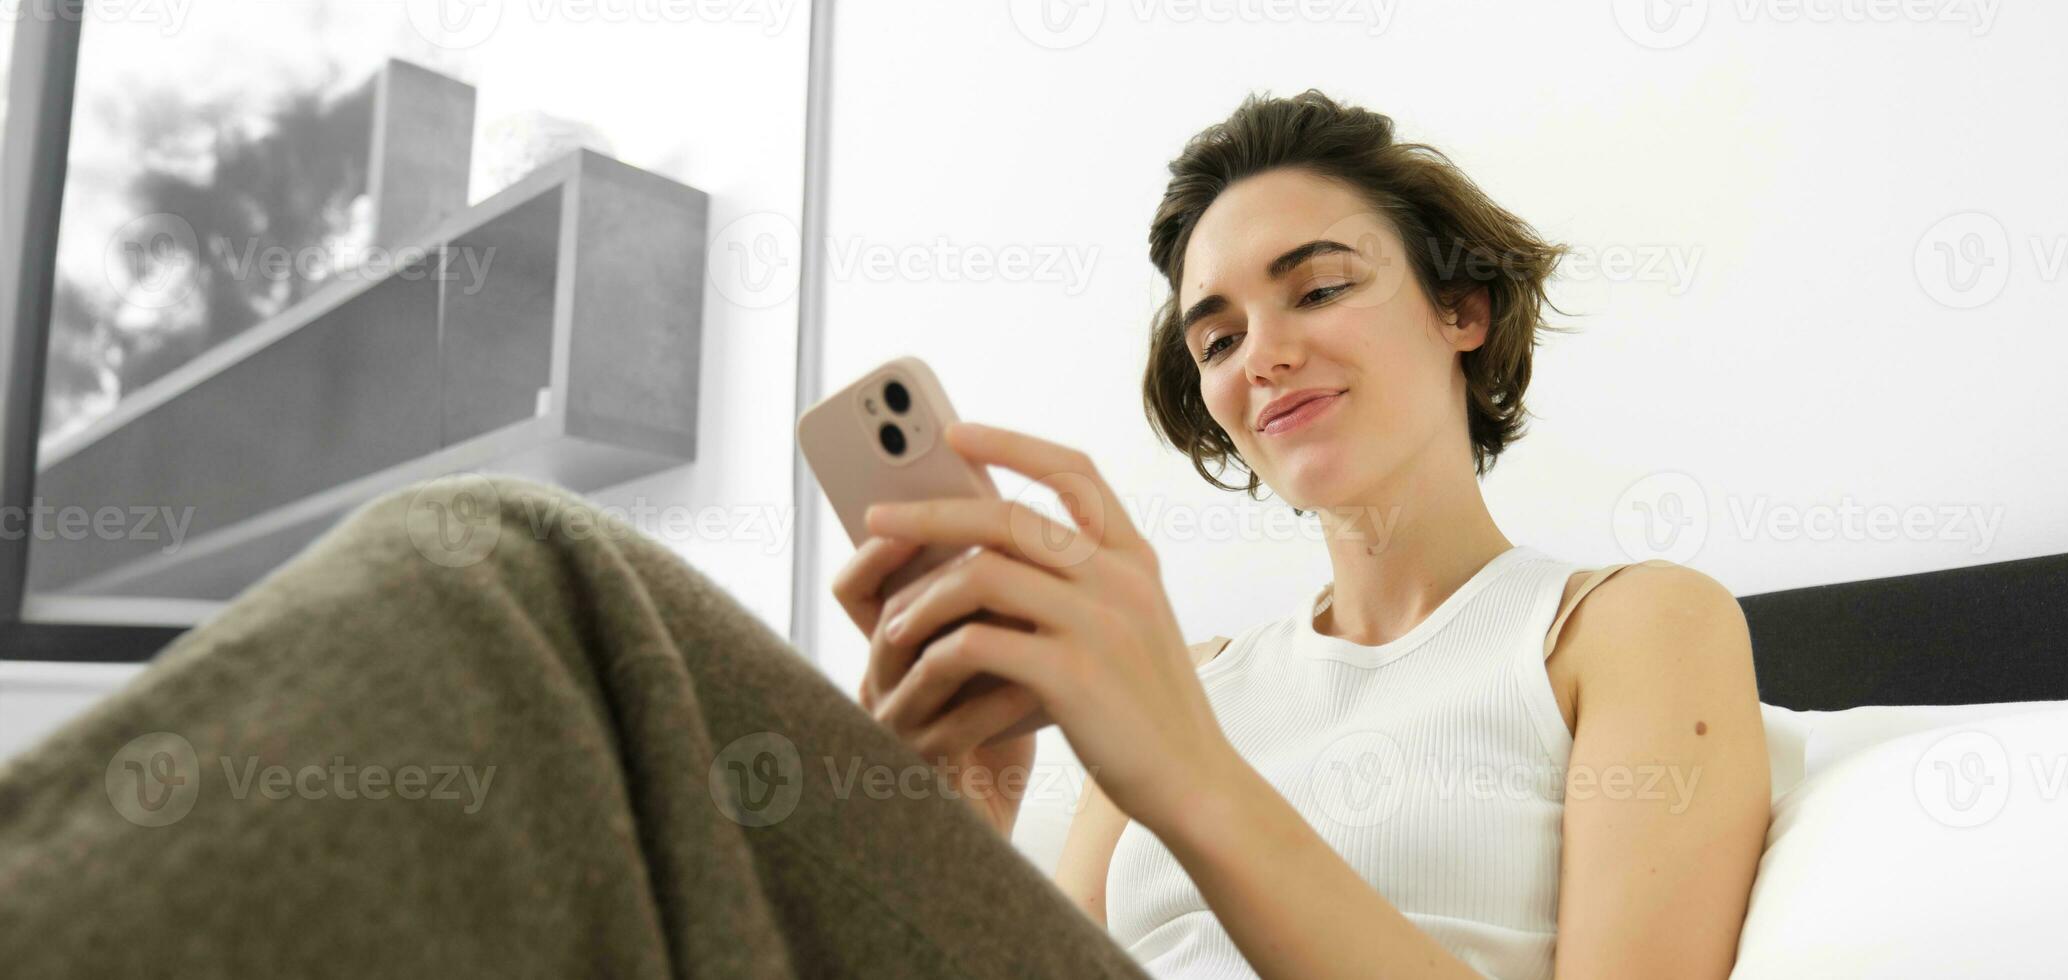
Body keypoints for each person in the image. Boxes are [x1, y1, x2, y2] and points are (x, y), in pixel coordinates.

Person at [0, 89, 1767, 980]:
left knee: (505, 579)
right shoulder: (1194, 681)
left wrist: (1185, 775)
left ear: (1463, 311)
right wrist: (958, 807)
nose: (1260, 353)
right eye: (1216, 332)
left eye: (1317, 288)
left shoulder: (1628, 625)